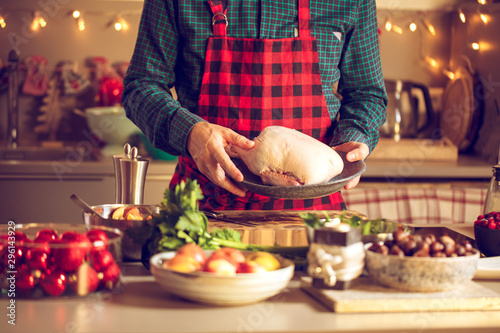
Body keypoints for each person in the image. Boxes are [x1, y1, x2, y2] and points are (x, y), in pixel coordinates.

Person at [122, 0, 387, 211]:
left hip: (312, 216)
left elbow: (367, 94)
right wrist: (190, 132)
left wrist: (353, 141)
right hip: (203, 209)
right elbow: (141, 86)